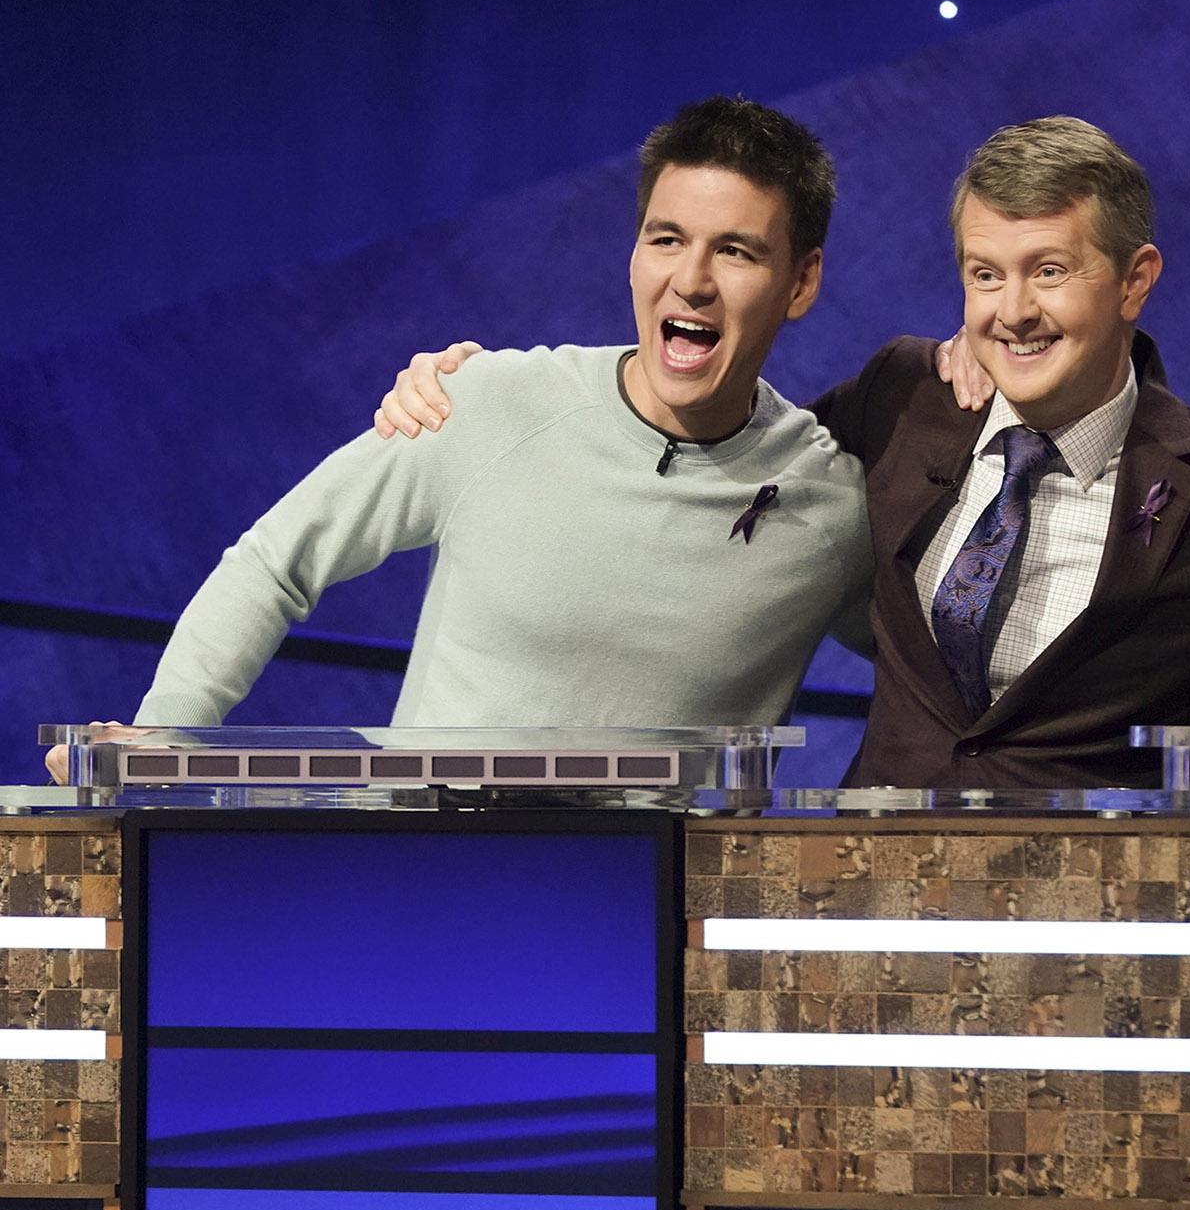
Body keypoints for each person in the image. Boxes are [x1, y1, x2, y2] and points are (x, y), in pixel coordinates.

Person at [378, 118, 1190, 788]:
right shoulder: (907, 398)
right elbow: (721, 454)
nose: (1012, 309)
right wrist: (484, 392)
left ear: (1136, 278)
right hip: (863, 910)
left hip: (1116, 937)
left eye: (1049, 271)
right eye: (985, 274)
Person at [73, 97, 871, 745]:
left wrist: (982, 362)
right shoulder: (485, 401)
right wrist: (166, 732)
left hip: (647, 925)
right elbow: (276, 561)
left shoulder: (828, 502)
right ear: (634, 254)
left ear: (801, 283)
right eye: (667, 239)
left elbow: (954, 677)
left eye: (735, 251)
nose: (690, 280)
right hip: (421, 895)